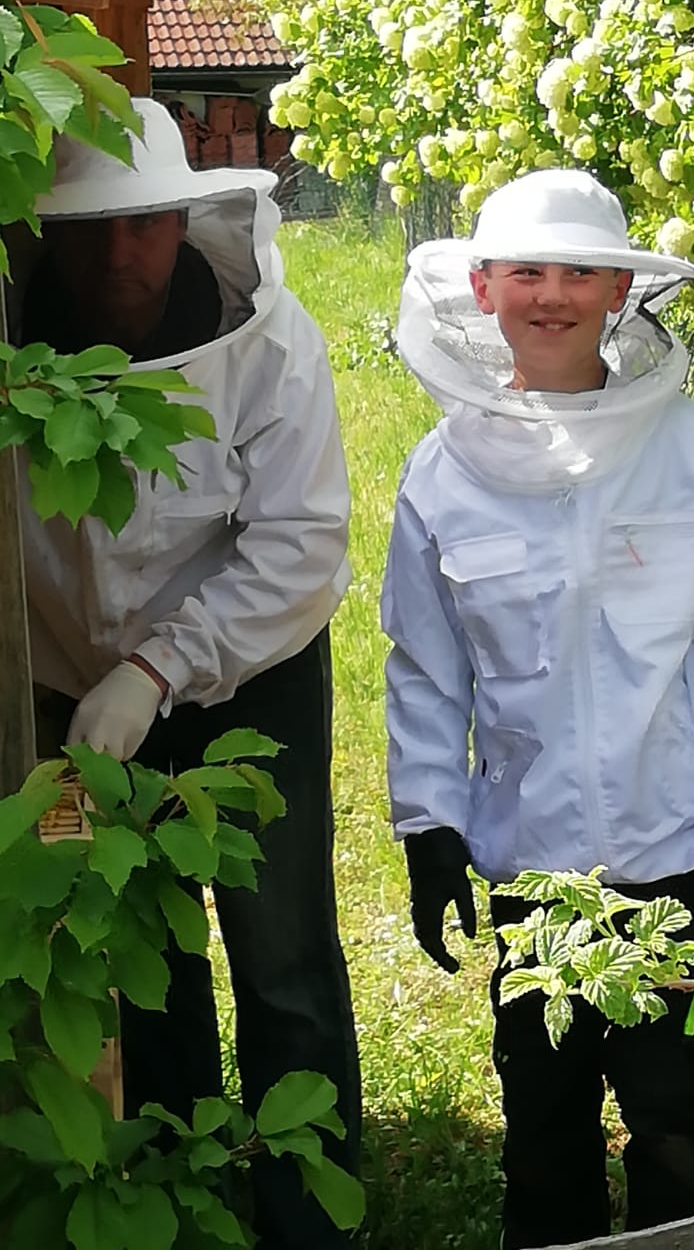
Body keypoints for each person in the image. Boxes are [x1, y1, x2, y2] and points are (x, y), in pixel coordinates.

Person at [381, 168, 694, 1249]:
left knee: (678, 1116)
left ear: (619, 291)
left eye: (578, 273)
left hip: (676, 850)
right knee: (543, 1120)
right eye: (526, 272)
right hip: (535, 868)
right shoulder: (441, 475)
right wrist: (428, 824)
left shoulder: (691, 450)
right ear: (482, 288)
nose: (551, 294)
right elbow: (426, 669)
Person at [12, 98, 361, 1250]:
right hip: (70, 698)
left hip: (247, 678)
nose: (120, 253)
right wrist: (91, 683)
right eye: (90, 228)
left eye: (144, 224)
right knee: (138, 955)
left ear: (182, 221)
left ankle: (306, 1222)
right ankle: (185, 1212)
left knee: (281, 954)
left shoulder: (270, 343)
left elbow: (300, 542)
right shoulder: (17, 346)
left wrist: (158, 666)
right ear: (45, 233)